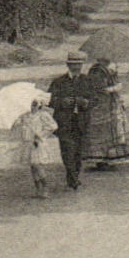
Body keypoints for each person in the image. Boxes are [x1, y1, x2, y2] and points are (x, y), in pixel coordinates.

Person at [48, 51, 93, 191]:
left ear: (82, 65)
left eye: (78, 65)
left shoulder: (87, 81)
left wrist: (86, 103)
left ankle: (74, 175)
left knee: (78, 152)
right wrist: (62, 102)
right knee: (67, 150)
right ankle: (72, 178)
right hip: (64, 122)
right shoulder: (59, 82)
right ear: (68, 65)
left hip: (81, 121)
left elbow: (95, 99)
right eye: (73, 65)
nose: (76, 68)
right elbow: (49, 100)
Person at [82, 56, 129, 168]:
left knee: (113, 129)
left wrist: (116, 85)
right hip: (100, 104)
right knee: (101, 131)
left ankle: (110, 158)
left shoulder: (111, 68)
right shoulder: (96, 71)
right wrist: (114, 88)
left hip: (112, 103)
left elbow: (114, 84)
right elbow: (100, 89)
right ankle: (101, 160)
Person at [12, 92, 60, 198]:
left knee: (37, 165)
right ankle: (38, 189)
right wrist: (15, 120)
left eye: (35, 104)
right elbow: (16, 124)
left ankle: (45, 188)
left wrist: (41, 135)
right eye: (30, 104)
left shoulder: (43, 115)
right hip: (27, 142)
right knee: (32, 167)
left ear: (39, 104)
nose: (32, 106)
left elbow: (53, 126)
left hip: (37, 143)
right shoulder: (25, 115)